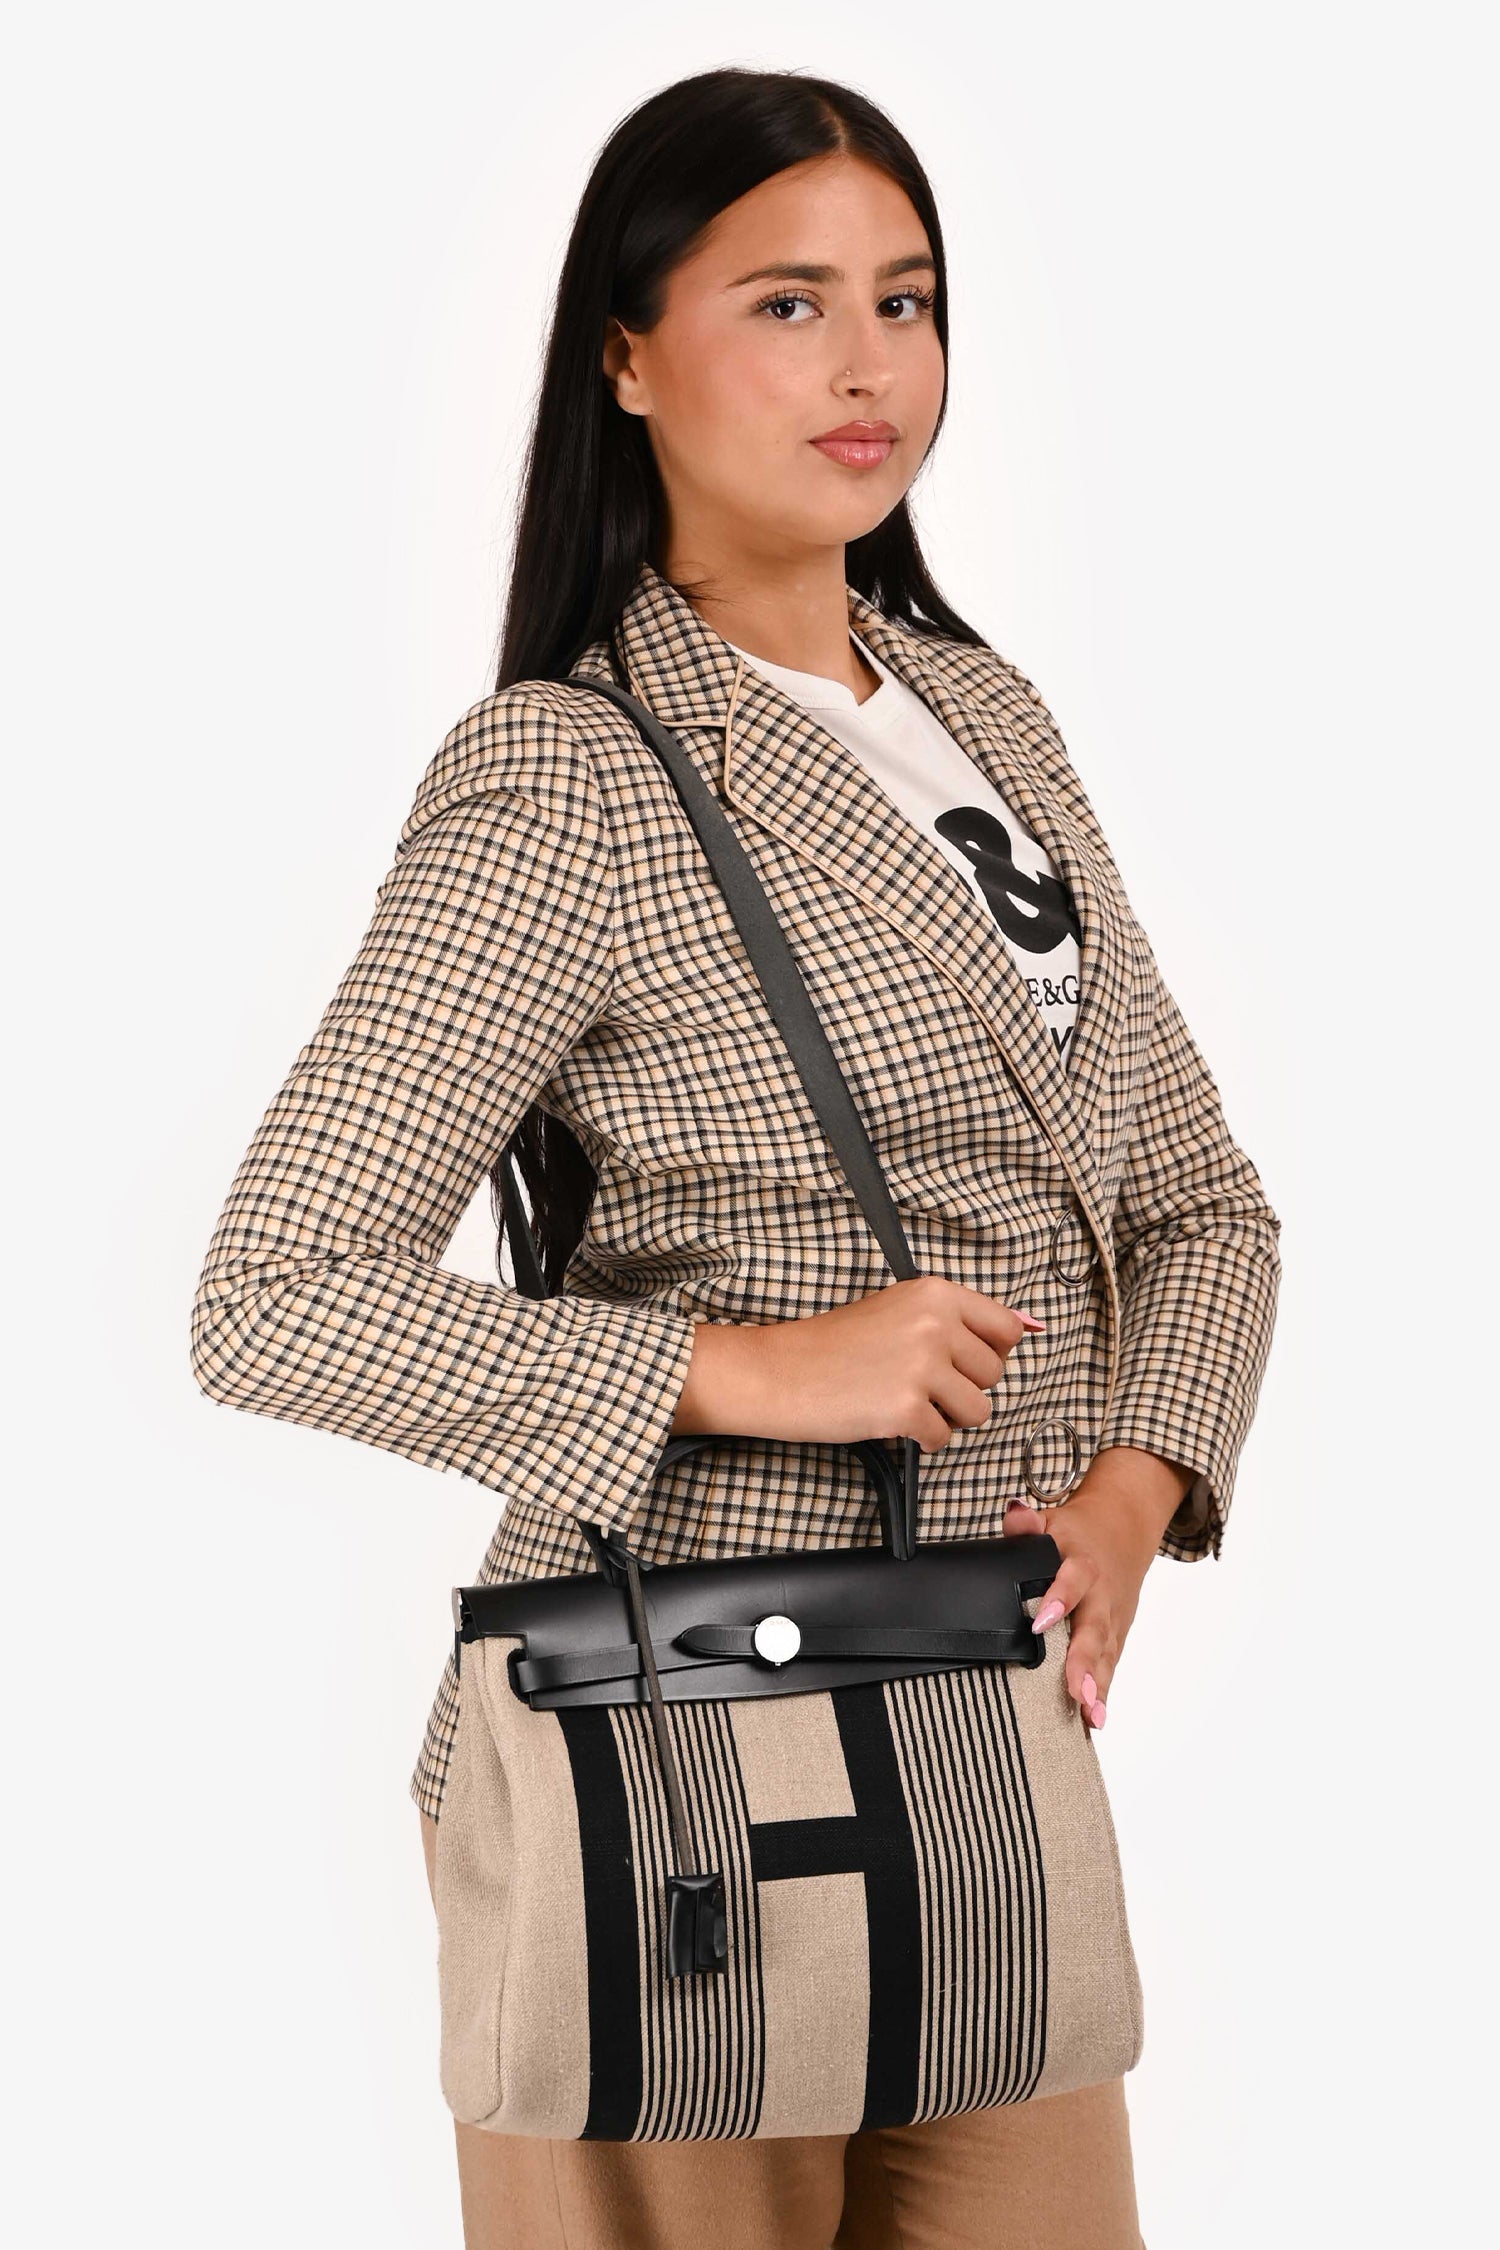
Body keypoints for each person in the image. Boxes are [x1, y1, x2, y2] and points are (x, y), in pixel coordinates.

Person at [190, 65, 1281, 2250]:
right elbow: (269, 1297)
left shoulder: (987, 722)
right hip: (662, 1759)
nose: (868, 363)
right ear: (626, 356)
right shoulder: (569, 775)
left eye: (906, 299)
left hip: (984, 1743)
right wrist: (742, 1368)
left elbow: (1200, 1206)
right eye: (786, 303)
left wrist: (1128, 1506)